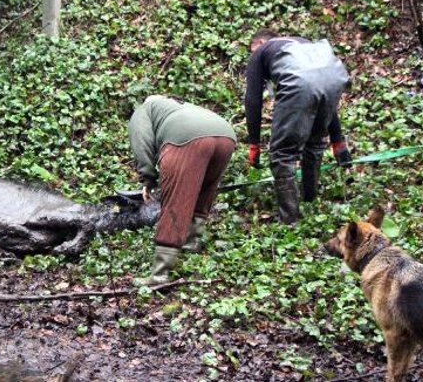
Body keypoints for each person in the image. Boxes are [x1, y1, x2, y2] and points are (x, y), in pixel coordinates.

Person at [128, 95, 237, 285]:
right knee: (204, 188)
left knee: (176, 200)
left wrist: (147, 178)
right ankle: (192, 241)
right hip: (226, 135)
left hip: (185, 137)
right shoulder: (183, 106)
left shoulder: (145, 108)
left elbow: (141, 140)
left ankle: (160, 274)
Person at [245, 29, 350, 224]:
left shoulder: (260, 52)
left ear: (260, 43)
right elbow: (322, 92)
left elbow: (253, 101)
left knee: (282, 154)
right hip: (335, 77)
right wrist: (337, 141)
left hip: (300, 82)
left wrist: (254, 144)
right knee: (315, 144)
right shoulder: (303, 44)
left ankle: (289, 220)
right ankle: (310, 200)